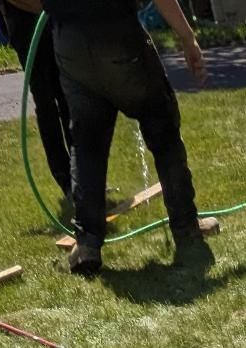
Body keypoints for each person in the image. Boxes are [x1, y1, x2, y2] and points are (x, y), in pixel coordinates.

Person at [45, 0, 214, 276]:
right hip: (116, 37)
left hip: (67, 42)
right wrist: (187, 37)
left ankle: (87, 243)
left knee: (86, 144)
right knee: (163, 129)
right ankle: (186, 228)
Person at [0, 0, 73, 219]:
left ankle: (84, 179)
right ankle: (66, 180)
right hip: (25, 26)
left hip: (54, 22)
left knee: (70, 96)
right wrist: (46, 8)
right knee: (46, 101)